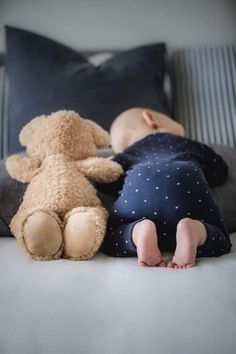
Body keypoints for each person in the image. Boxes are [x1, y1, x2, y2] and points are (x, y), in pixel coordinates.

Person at [97, 108, 232, 268]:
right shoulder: (191, 145)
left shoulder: (127, 155)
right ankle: (195, 231)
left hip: (141, 179)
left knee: (109, 238)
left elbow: (105, 182)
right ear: (150, 119)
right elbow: (220, 170)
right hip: (185, 175)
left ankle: (138, 233)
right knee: (221, 239)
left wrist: (110, 161)